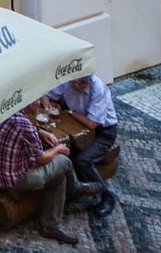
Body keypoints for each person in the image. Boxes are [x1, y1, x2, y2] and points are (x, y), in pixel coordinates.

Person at [0, 109, 98, 244]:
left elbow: (21, 129)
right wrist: (58, 149)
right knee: (64, 162)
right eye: (37, 101)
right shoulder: (25, 125)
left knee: (58, 177)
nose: (39, 102)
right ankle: (76, 188)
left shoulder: (4, 111)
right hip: (13, 179)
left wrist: (40, 131)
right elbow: (41, 158)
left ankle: (51, 226)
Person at [37, 74, 119, 216]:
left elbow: (92, 124)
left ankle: (106, 195)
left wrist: (70, 112)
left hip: (102, 132)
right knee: (66, 150)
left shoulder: (98, 89)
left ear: (87, 83)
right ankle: (71, 189)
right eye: (72, 83)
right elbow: (45, 95)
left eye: (77, 84)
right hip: (77, 125)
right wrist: (47, 108)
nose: (73, 86)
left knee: (82, 160)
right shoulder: (69, 79)